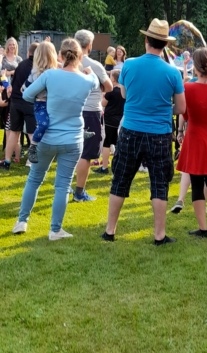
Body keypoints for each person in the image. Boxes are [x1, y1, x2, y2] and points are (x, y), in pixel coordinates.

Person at [102, 19, 186, 245]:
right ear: (165, 44)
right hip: (159, 133)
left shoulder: (129, 65)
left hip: (130, 130)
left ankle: (110, 231)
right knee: (159, 183)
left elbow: (125, 95)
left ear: (146, 40)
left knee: (120, 179)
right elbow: (181, 107)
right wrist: (164, 108)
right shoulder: (173, 72)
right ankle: (159, 235)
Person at [12, 37, 98, 238]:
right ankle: (55, 229)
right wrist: (89, 70)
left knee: (34, 179)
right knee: (63, 185)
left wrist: (46, 98)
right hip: (73, 139)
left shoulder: (50, 75)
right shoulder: (86, 80)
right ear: (80, 56)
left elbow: (26, 95)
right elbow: (96, 80)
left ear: (61, 55)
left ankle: (22, 221)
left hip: (47, 137)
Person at [176, 47, 207, 237]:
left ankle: (203, 228)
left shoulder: (187, 88)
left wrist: (180, 130)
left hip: (195, 137)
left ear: (196, 67)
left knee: (196, 183)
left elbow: (185, 114)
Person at [72, 30, 110, 203]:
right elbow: (109, 87)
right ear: (89, 45)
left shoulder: (67, 63)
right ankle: (79, 192)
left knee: (73, 150)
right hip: (90, 111)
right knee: (86, 154)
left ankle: (66, 187)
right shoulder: (94, 65)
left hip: (71, 110)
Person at [0, 42, 38, 169]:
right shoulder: (38, 67)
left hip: (15, 102)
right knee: (32, 133)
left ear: (28, 53)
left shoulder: (21, 65)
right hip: (29, 102)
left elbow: (14, 82)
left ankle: (7, 161)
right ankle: (32, 162)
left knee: (13, 132)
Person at [27, 40, 58, 163]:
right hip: (41, 103)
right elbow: (25, 88)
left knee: (65, 117)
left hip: (54, 103)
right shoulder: (35, 73)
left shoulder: (57, 71)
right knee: (44, 124)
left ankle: (78, 131)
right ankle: (33, 146)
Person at [96, 69, 125, 173]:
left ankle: (104, 167)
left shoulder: (111, 91)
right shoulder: (124, 91)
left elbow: (103, 104)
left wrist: (103, 96)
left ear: (113, 79)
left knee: (107, 142)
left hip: (109, 119)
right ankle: (119, 166)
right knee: (118, 143)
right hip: (120, 119)